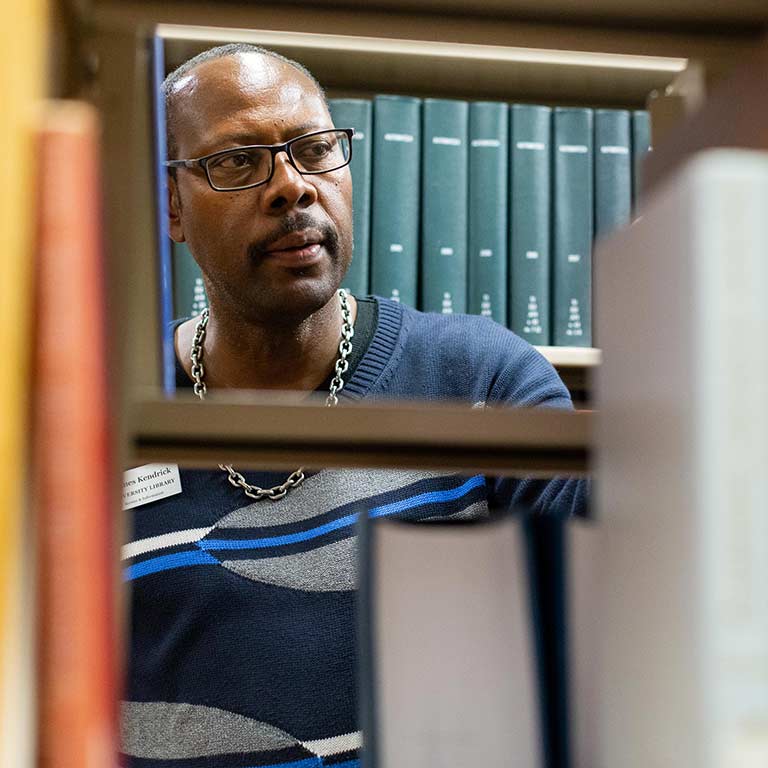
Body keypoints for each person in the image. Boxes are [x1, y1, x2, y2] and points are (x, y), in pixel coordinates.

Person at [121, 43, 587, 768]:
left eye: (314, 149)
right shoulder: (112, 408)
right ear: (171, 206)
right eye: (237, 161)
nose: (291, 187)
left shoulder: (482, 382)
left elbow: (623, 603)